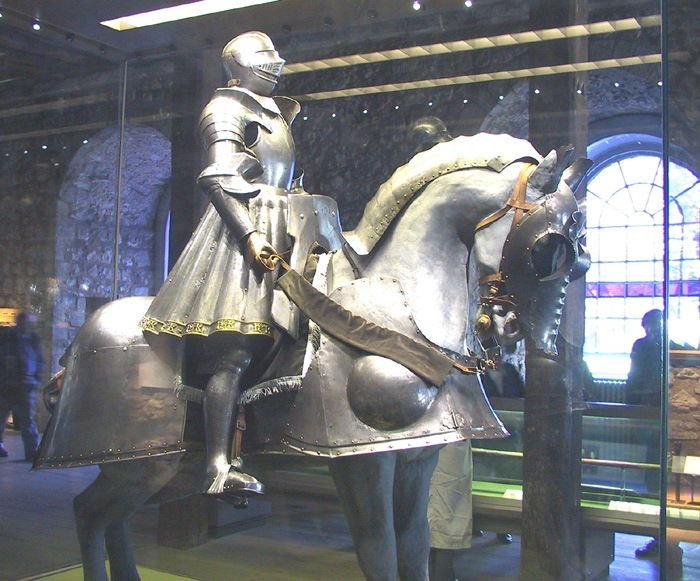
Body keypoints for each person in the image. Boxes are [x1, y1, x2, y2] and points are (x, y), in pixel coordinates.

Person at [139, 31, 340, 499]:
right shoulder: (225, 109)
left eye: (275, 54)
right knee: (235, 350)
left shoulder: (273, 113)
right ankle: (216, 464)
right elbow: (218, 178)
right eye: (265, 56)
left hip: (285, 221)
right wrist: (249, 235)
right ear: (240, 66)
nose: (276, 62)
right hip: (241, 229)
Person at [0, 311, 43, 461]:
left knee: (27, 420)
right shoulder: (7, 339)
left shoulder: (32, 340)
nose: (28, 325)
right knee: (2, 417)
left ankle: (31, 451)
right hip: (7, 386)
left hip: (25, 386)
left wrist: (35, 379)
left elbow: (39, 361)